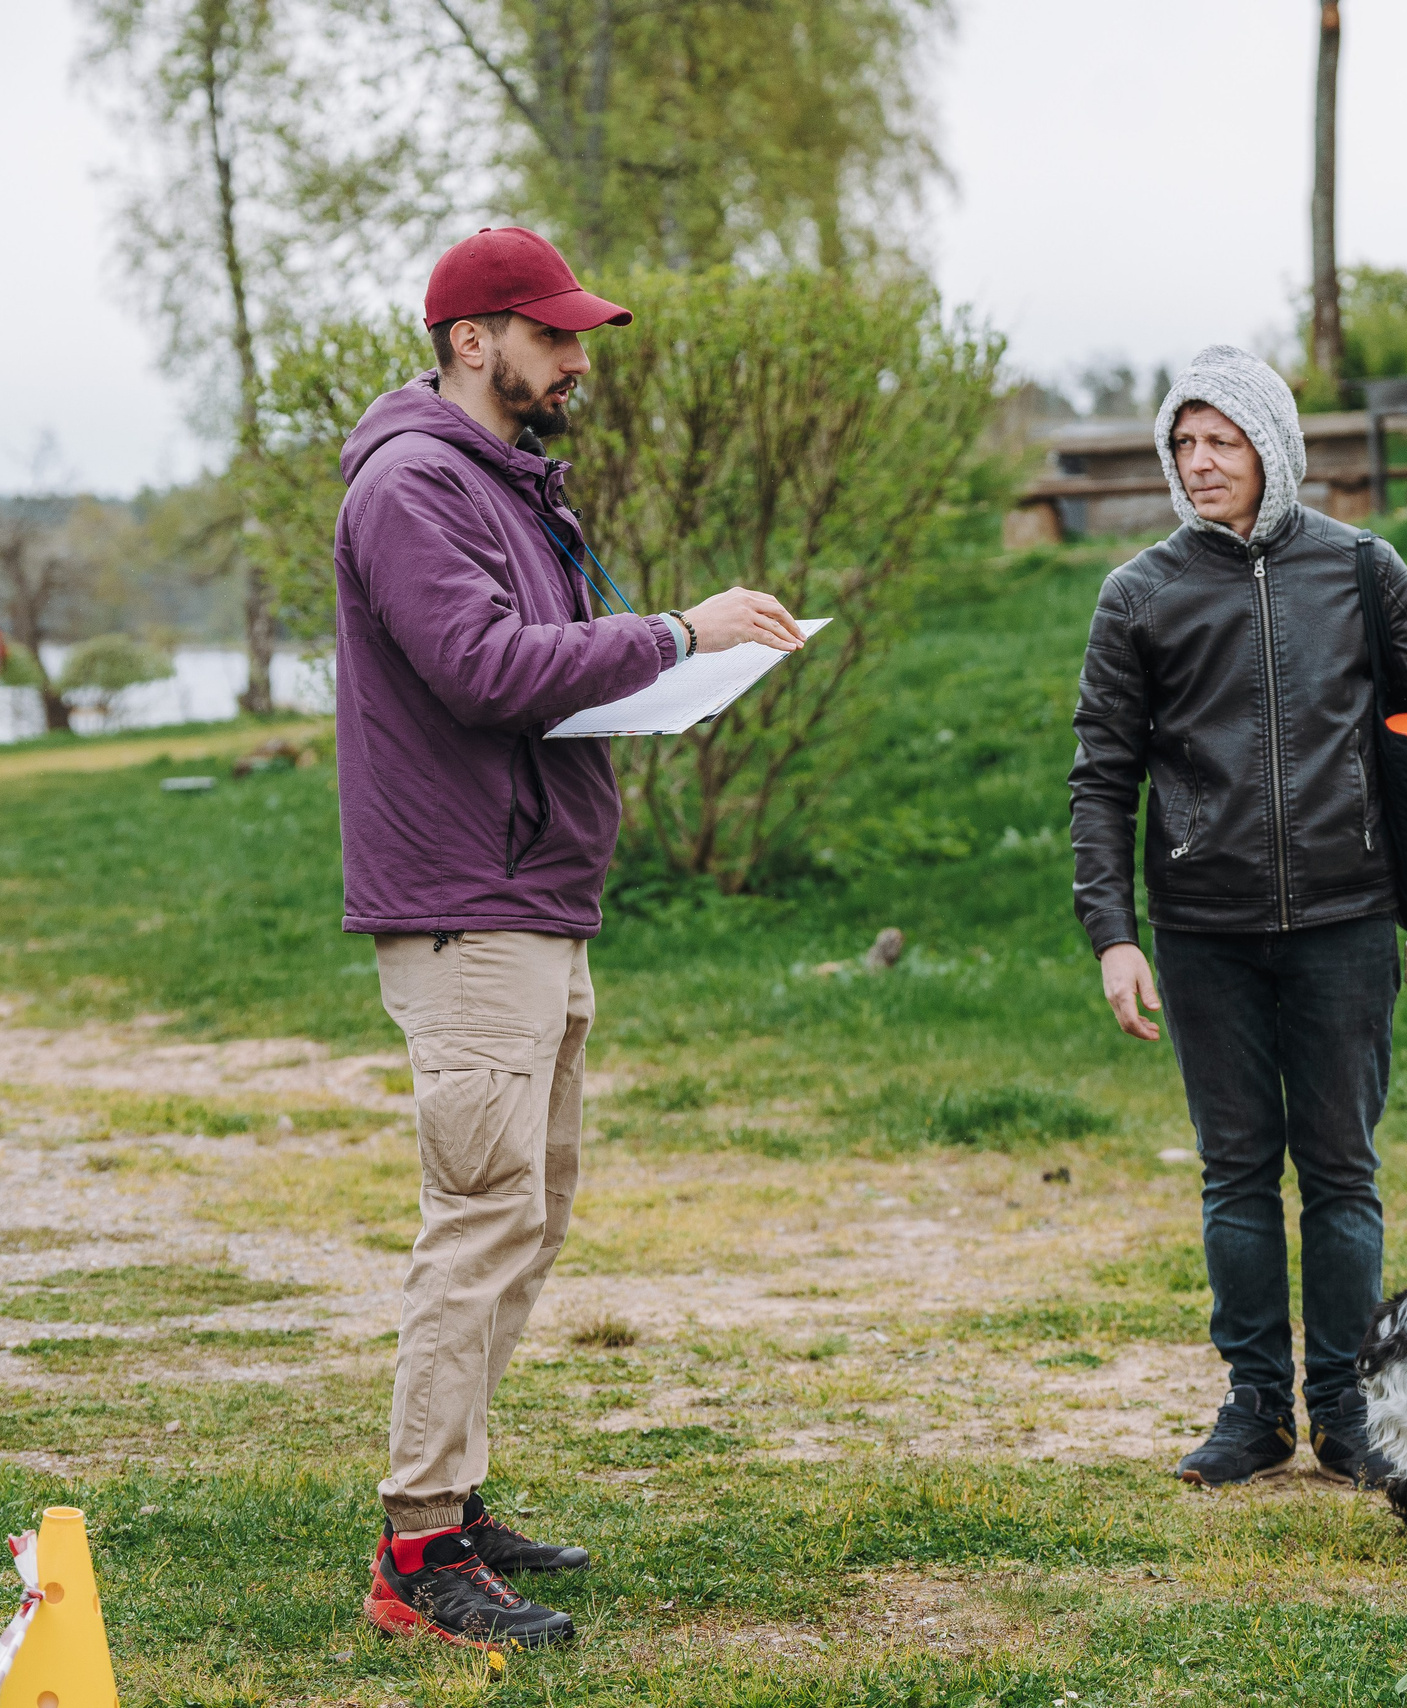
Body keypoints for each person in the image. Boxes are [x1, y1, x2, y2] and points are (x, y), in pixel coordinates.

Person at [336, 226, 802, 1651]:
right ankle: (417, 1554)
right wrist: (672, 635)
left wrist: (663, 660)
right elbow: (483, 672)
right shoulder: (416, 485)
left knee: (522, 1216)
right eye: (553, 336)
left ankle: (457, 1501)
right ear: (472, 340)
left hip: (529, 900)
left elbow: (539, 671)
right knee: (477, 1226)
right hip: (470, 911)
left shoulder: (500, 486)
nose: (577, 359)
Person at [1069, 345, 1407, 1487]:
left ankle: (1346, 1409)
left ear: (1275, 449)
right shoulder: (1139, 594)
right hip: (1202, 930)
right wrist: (1113, 933)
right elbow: (1100, 778)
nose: (1199, 464)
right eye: (1183, 444)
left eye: (1222, 441)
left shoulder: (1361, 568)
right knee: (1235, 1173)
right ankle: (1254, 1408)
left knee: (1342, 1171)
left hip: (1348, 921)